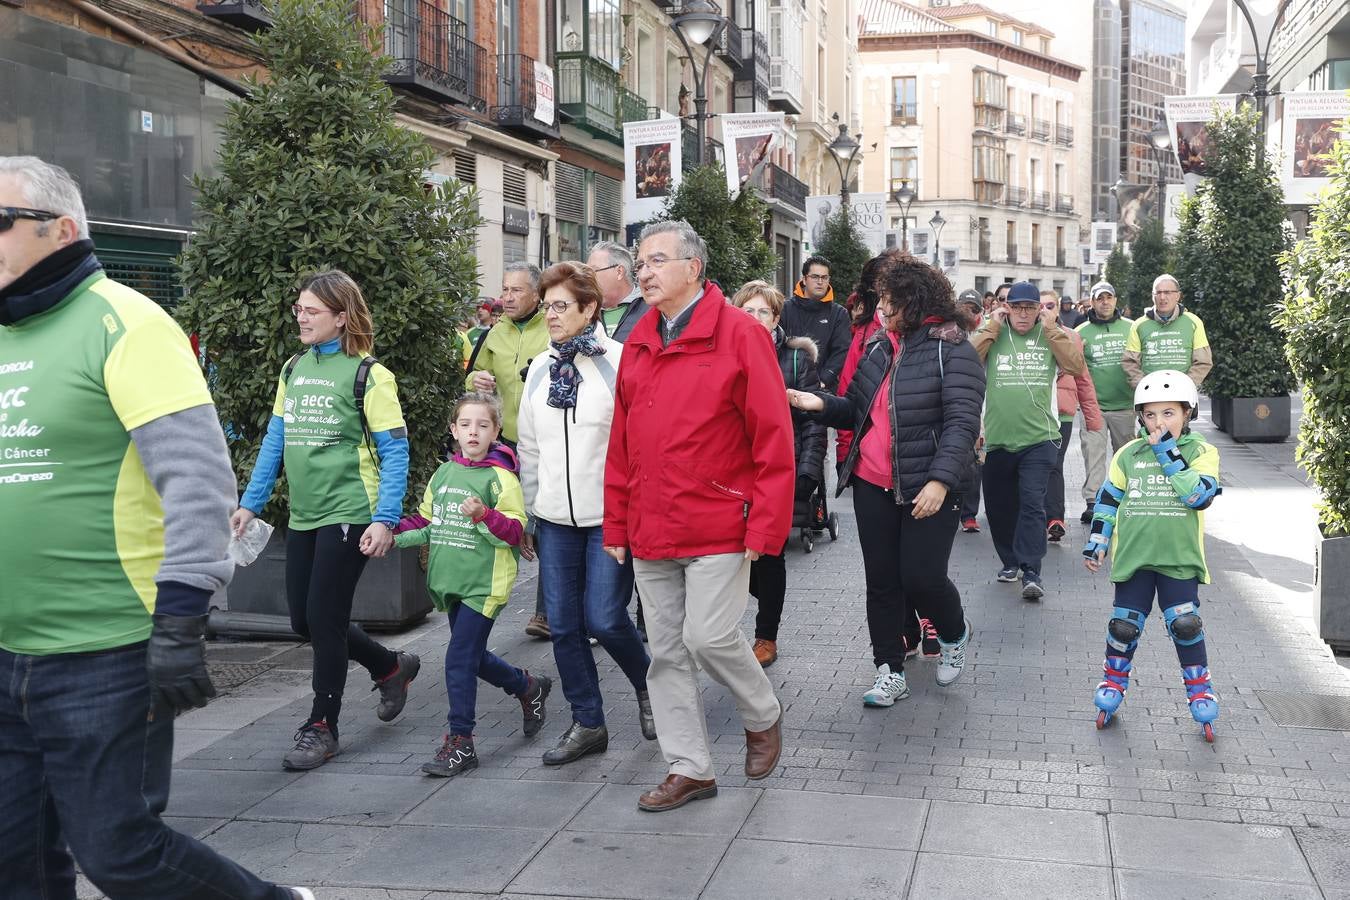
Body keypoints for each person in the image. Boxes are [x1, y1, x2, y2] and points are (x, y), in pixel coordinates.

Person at [0, 156, 314, 899]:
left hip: (108, 646)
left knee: (120, 852)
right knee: (12, 858)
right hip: (8, 646)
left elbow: (198, 481)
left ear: (61, 229)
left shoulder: (127, 323)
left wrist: (181, 620)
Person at [603, 220, 792, 812]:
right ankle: (691, 769)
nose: (644, 270)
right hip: (653, 524)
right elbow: (622, 439)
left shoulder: (740, 334)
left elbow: (773, 438)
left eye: (657, 260)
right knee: (665, 653)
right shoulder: (638, 338)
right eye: (640, 261)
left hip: (718, 519)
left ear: (694, 268)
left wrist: (766, 527)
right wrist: (616, 521)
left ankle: (762, 713)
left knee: (708, 637)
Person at [234, 270, 419, 771]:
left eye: (311, 310)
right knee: (305, 620)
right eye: (298, 308)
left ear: (341, 317)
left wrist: (384, 519)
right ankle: (389, 666)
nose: (301, 316)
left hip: (351, 512)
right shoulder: (293, 368)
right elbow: (275, 440)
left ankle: (322, 725)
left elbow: (395, 451)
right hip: (305, 514)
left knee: (323, 618)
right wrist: (250, 502)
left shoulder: (369, 374)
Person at [790, 253, 982, 706]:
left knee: (921, 577)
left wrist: (939, 481)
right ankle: (888, 670)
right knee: (882, 581)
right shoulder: (879, 345)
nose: (882, 312)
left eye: (890, 304)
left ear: (913, 303)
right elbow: (856, 407)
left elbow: (961, 424)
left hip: (927, 485)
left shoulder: (952, 348)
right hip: (871, 481)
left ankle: (954, 632)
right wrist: (818, 403)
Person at [517, 262, 655, 766]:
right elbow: (528, 448)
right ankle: (588, 722)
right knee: (566, 627)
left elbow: (639, 443)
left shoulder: (621, 363)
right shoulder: (538, 368)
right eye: (546, 305)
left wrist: (635, 510)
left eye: (560, 306)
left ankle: (648, 685)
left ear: (590, 308)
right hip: (554, 520)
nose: (549, 315)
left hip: (609, 518)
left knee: (606, 617)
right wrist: (533, 508)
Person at [394, 393, 551, 776]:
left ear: (496, 431)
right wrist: (387, 533)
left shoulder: (501, 477)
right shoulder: (444, 473)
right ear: (454, 430)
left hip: (485, 584)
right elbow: (427, 523)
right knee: (473, 657)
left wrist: (484, 515)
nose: (473, 432)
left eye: (483, 425)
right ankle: (527, 686)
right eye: (465, 425)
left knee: (458, 657)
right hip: (450, 582)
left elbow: (514, 532)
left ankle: (461, 742)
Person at [1084, 370, 1222, 742]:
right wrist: (1098, 538)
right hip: (1134, 558)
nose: (1158, 423)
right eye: (1150, 415)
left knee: (1185, 625)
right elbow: (1109, 499)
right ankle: (1113, 683)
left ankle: (1200, 690)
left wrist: (1167, 452)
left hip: (1178, 559)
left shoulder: (1202, 452)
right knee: (1123, 626)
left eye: (1168, 413)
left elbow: (1198, 495)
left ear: (1187, 413)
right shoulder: (1129, 454)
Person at [730, 280, 827, 668]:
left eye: (763, 313)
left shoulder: (795, 359)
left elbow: (812, 423)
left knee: (770, 554)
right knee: (734, 552)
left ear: (775, 320)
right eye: (747, 311)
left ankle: (765, 634)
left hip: (779, 469)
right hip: (733, 472)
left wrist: (808, 471)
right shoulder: (723, 353)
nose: (755, 319)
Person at [971, 281, 1086, 601]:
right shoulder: (993, 331)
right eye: (1016, 307)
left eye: (1029, 308)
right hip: (997, 439)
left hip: (1040, 438)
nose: (1022, 314)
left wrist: (1052, 330)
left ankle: (1032, 570)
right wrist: (992, 325)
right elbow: (968, 358)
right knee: (999, 508)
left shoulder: (1049, 334)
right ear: (1006, 308)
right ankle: (1010, 561)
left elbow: (1075, 366)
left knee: (1033, 504)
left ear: (1039, 310)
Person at [469, 262, 551, 638]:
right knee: (500, 522)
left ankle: (545, 612)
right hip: (505, 446)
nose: (508, 297)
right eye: (505, 289)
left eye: (517, 290)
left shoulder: (551, 327)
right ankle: (482, 602)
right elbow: (471, 375)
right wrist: (476, 378)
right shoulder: (492, 334)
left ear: (537, 294)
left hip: (546, 444)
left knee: (547, 525)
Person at [1039, 290, 1103, 544]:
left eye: (1050, 305)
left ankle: (1055, 519)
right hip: (1033, 413)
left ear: (1058, 309)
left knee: (1054, 464)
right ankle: (1036, 515)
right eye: (1040, 305)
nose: (1045, 309)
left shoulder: (1072, 337)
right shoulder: (1026, 337)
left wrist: (1093, 418)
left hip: (1062, 414)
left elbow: (1084, 381)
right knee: (1035, 466)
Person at [1076, 281, 1135, 524]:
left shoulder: (1132, 329)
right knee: (1094, 455)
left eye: (1109, 297)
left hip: (1126, 406)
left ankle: (1128, 498)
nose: (1105, 302)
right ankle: (1094, 501)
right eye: (1100, 298)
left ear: (1115, 300)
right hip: (1094, 408)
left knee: (1127, 455)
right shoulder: (1081, 333)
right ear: (1092, 302)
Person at [1122, 274, 1213, 389]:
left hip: (1183, 395)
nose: (1162, 297)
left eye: (1167, 292)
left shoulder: (1193, 322)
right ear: (1152, 296)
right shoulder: (1139, 325)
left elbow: (1203, 361)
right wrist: (1143, 386)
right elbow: (1130, 362)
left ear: (1178, 296)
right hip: (1150, 395)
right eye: (1158, 293)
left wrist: (1187, 385)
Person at [780, 255, 852, 391]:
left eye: (824, 278)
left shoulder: (838, 313)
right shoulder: (784, 309)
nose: (820, 281)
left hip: (823, 389)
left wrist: (823, 380)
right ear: (804, 279)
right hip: (786, 388)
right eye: (815, 277)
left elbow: (842, 351)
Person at [955, 289, 986, 534]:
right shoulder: (949, 332)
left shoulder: (986, 334)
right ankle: (954, 507)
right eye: (964, 307)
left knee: (975, 462)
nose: (969, 313)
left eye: (974, 309)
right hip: (954, 401)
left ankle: (969, 514)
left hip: (981, 405)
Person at [588, 240, 651, 343]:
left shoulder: (651, 308)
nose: (588, 278)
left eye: (593, 271)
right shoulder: (585, 311)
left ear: (619, 272)